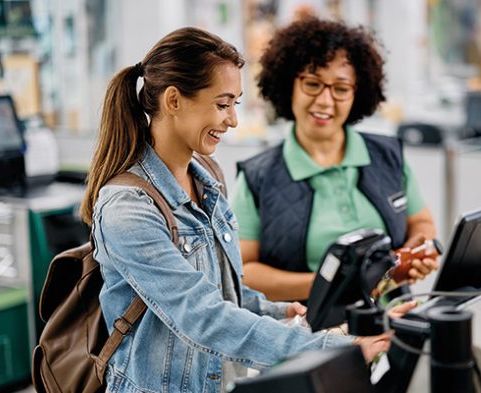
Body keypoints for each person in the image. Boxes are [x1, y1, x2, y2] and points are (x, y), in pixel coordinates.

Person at [79, 27, 402, 393]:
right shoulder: (128, 208)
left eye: (235, 103)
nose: (232, 120)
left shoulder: (208, 180)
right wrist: (334, 348)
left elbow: (222, 291)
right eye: (222, 104)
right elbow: (202, 316)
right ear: (173, 100)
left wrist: (280, 312)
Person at [232, 17, 440, 302]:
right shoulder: (258, 178)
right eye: (312, 84)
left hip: (395, 326)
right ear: (288, 84)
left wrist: (416, 253)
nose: (325, 101)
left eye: (341, 89)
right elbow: (243, 271)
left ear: (358, 93)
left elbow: (422, 223)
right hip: (310, 336)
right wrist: (332, 284)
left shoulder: (388, 156)